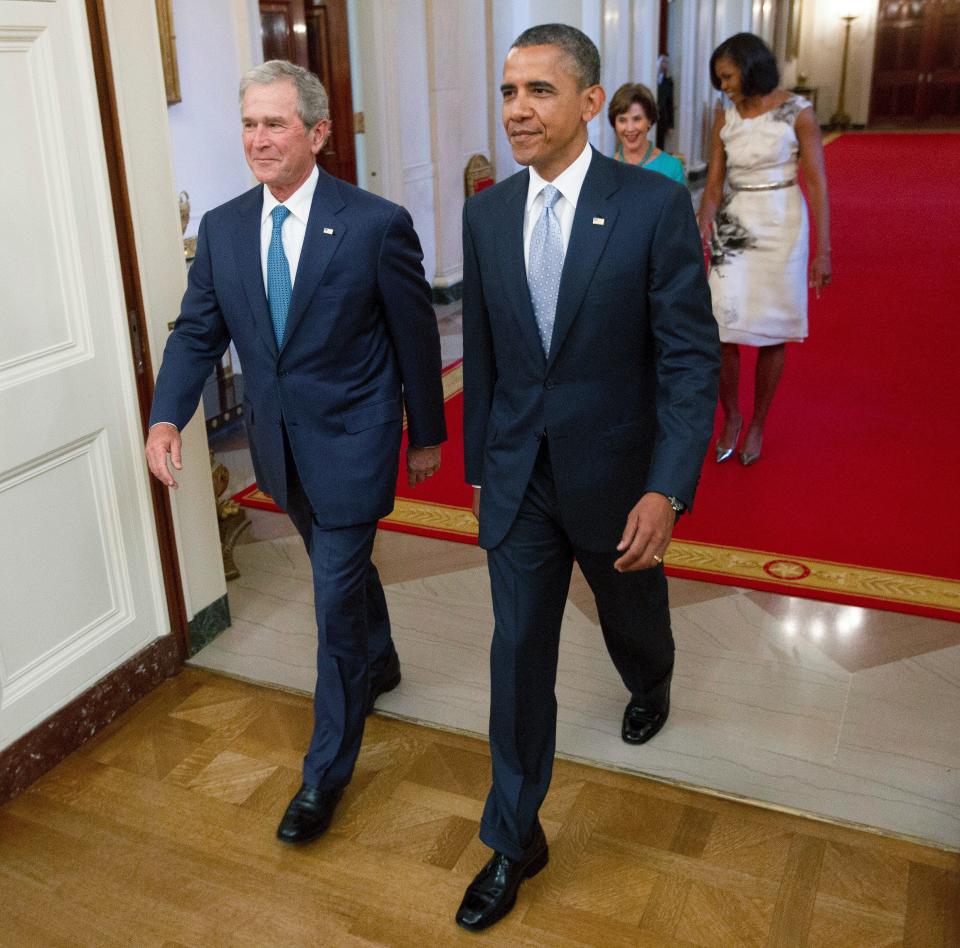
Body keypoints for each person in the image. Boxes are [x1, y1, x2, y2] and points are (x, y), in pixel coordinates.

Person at [458, 24, 720, 932]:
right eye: (507, 92)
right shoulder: (488, 213)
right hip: (521, 477)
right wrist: (481, 469)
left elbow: (690, 360)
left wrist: (667, 486)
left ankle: (651, 683)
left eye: (536, 91)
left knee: (631, 619)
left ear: (589, 104)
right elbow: (486, 357)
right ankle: (515, 837)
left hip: (618, 478)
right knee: (517, 653)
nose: (516, 111)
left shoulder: (648, 207)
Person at [145, 60, 446, 845]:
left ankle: (325, 775)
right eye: (248, 123)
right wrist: (167, 415)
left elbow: (416, 336)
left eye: (274, 123)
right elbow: (198, 332)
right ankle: (380, 661)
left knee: (332, 601)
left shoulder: (376, 224)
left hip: (354, 439)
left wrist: (428, 435)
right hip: (278, 450)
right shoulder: (223, 226)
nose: (257, 139)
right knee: (337, 572)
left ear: (317, 132)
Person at [697, 32, 831, 465]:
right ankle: (731, 415)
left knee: (774, 329)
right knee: (720, 328)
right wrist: (702, 222)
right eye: (719, 79)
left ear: (751, 67)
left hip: (782, 222)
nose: (724, 87)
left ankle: (758, 423)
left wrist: (823, 250)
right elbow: (714, 185)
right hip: (735, 225)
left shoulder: (797, 111)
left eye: (728, 76)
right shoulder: (726, 116)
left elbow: (817, 183)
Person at [609, 81, 686, 185]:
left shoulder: (672, 168)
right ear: (615, 124)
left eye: (637, 119)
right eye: (622, 120)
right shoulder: (605, 170)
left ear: (649, 120)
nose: (630, 128)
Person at [655, 54, 675, 151]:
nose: (665, 65)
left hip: (662, 119)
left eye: (667, 62)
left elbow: (670, 104)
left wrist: (671, 124)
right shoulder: (652, 78)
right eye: (663, 62)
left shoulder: (668, 82)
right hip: (652, 118)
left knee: (660, 146)